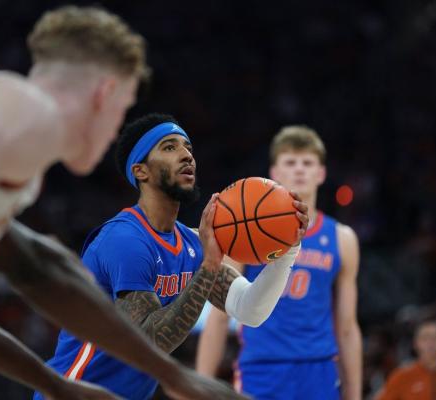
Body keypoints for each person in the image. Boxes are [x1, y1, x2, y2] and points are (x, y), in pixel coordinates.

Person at [0, 11, 244, 400]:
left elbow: (36, 272)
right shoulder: (29, 113)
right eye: (122, 111)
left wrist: (60, 386)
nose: (114, 132)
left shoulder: (8, 156)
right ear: (105, 93)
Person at [36, 113, 309, 400]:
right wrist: (210, 265)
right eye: (169, 147)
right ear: (141, 171)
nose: (186, 155)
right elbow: (149, 342)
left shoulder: (191, 243)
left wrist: (288, 248)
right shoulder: (124, 240)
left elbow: (249, 310)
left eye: (188, 148)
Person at [196, 125, 362, 400]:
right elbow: (219, 315)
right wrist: (200, 385)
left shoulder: (342, 238)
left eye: (307, 162)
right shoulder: (244, 231)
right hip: (261, 368)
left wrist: (354, 394)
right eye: (290, 162)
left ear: (321, 173)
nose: (299, 169)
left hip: (319, 368)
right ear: (274, 173)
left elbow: (346, 327)